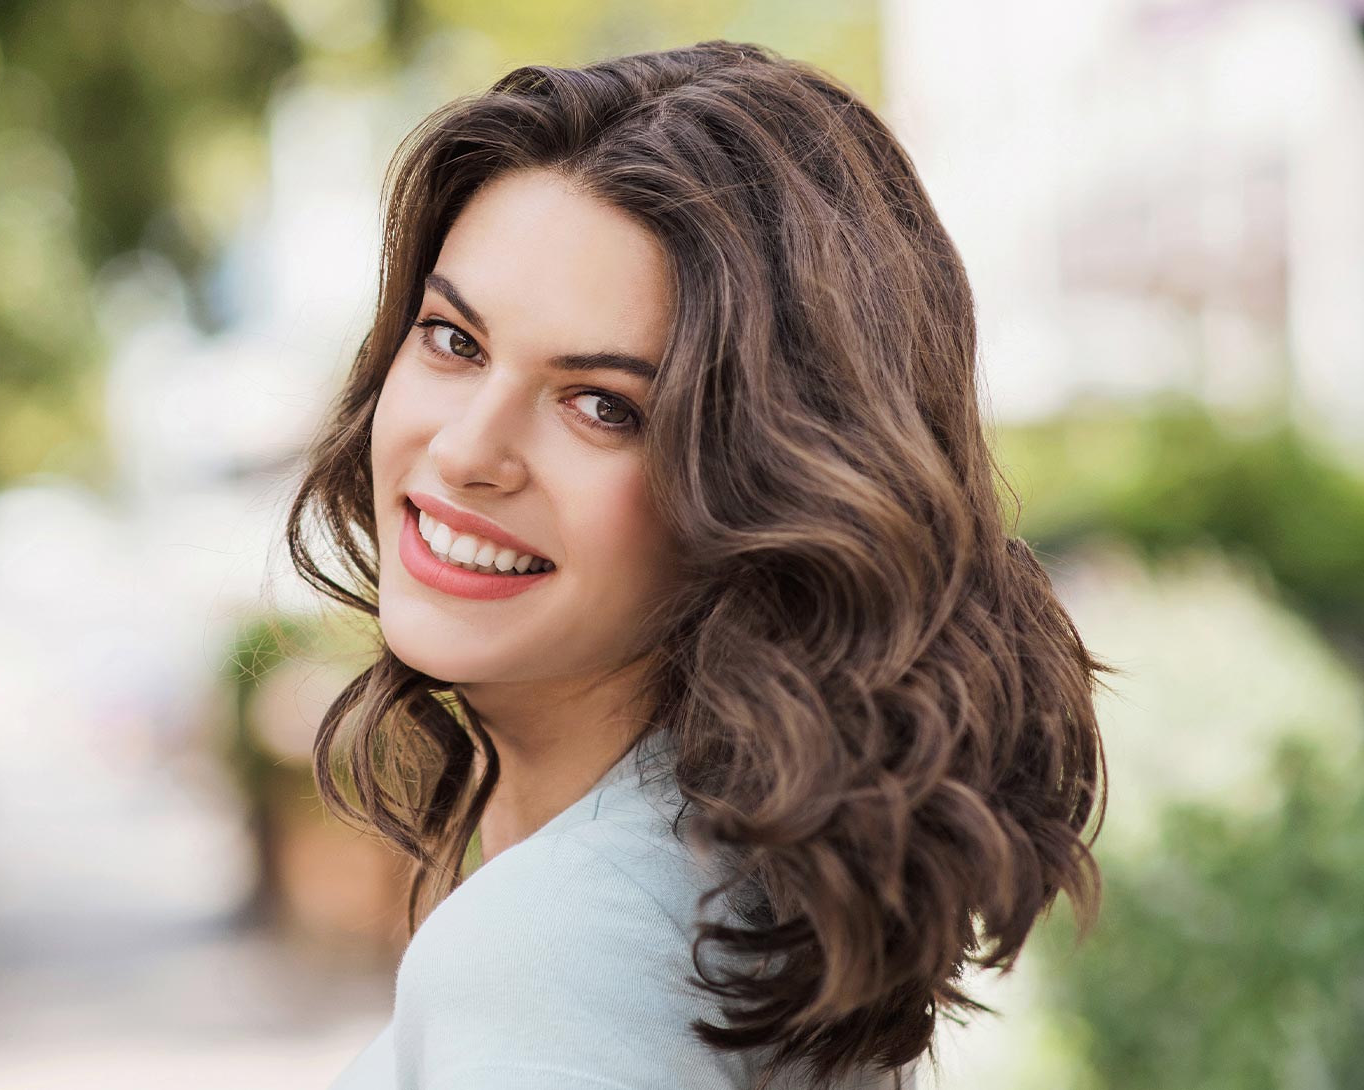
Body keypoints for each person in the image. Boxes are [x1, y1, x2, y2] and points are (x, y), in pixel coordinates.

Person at [288, 39, 1113, 1090]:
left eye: (603, 406)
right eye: (454, 340)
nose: (465, 451)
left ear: (763, 488)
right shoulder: (729, 891)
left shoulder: (564, 953)